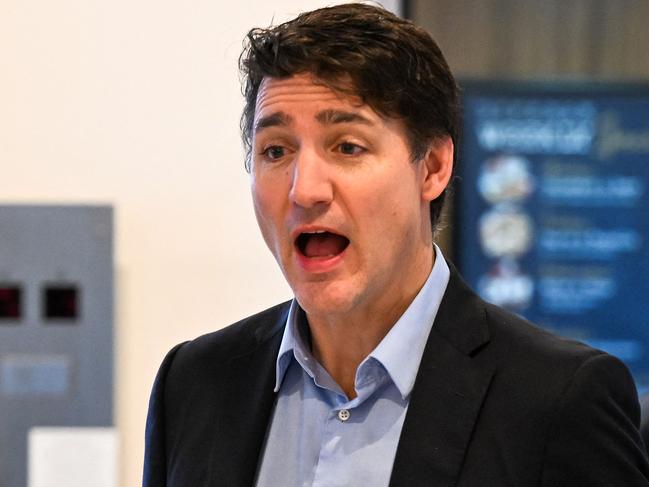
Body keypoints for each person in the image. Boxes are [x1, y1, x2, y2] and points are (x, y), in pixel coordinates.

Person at [143, 4, 649, 486]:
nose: (304, 189)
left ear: (432, 167)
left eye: (347, 147)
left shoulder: (558, 399)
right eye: (276, 150)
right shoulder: (194, 383)